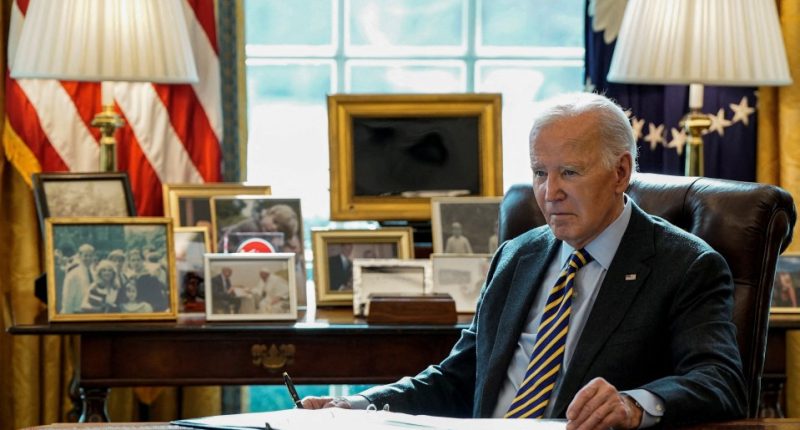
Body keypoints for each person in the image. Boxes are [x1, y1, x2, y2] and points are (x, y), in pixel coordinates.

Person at [301, 92, 746, 428]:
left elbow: (720, 380)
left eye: (569, 172)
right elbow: (459, 376)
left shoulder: (686, 266)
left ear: (621, 172)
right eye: (539, 173)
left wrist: (634, 404)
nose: (549, 193)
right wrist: (358, 403)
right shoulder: (518, 256)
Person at [60, 244, 95, 314]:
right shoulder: (73, 274)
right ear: (79, 256)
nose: (88, 258)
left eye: (90, 256)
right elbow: (67, 297)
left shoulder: (93, 272)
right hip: (77, 311)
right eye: (85, 256)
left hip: (91, 311)